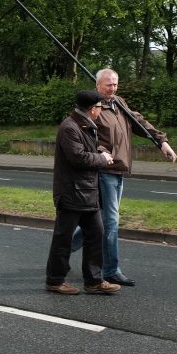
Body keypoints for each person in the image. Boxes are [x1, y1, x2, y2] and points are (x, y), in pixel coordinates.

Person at [73, 68, 177, 287]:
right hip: (105, 171)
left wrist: (162, 142)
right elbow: (81, 135)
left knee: (98, 220)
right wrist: (100, 152)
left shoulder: (119, 103)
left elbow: (139, 123)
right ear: (97, 85)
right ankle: (111, 270)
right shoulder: (93, 108)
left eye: (115, 84)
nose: (112, 88)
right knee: (111, 221)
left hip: (120, 169)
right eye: (108, 85)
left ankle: (61, 250)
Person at [45, 91, 121, 295]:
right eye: (99, 108)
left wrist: (101, 150)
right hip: (71, 193)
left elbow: (90, 148)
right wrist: (102, 159)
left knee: (96, 234)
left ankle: (94, 281)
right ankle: (55, 280)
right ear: (91, 109)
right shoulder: (69, 127)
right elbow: (78, 158)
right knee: (64, 239)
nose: (100, 111)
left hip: (87, 193)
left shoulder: (86, 125)